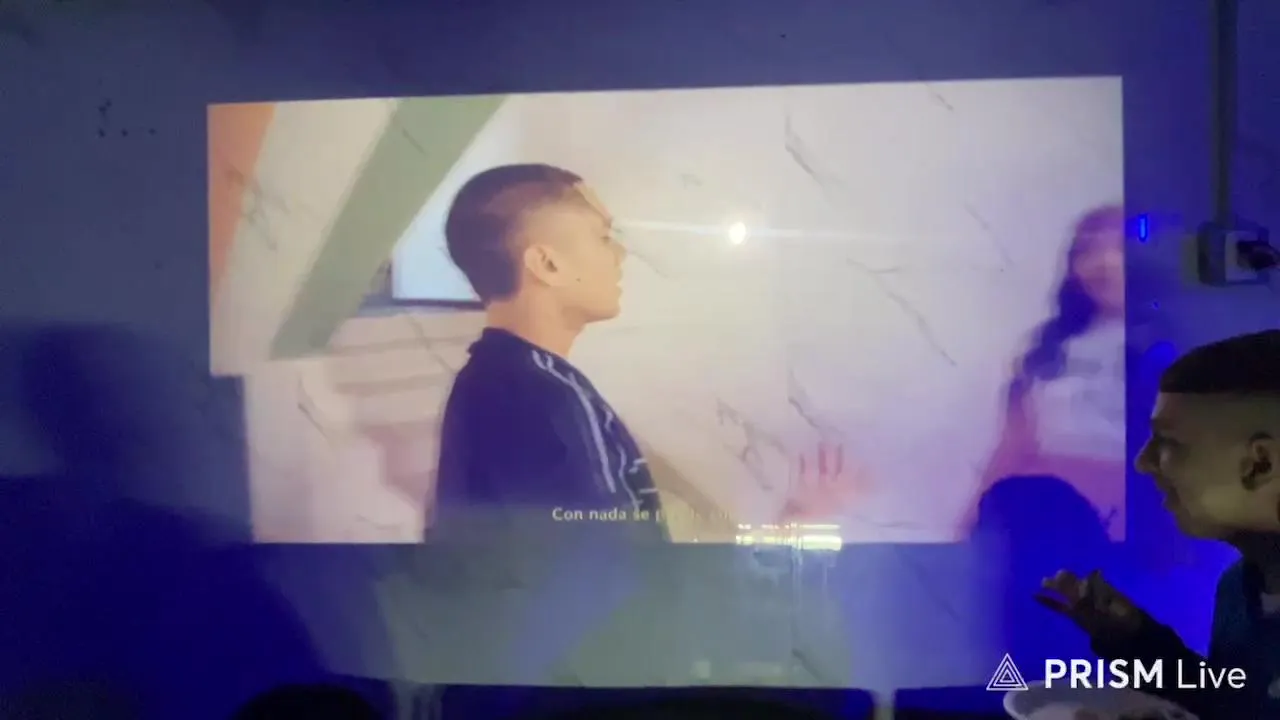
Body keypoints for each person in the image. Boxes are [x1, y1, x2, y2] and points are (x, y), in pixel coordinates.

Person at [1037, 330, 1280, 719]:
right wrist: (1133, 639)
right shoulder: (1240, 589)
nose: (1143, 462)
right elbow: (1231, 702)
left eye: (1167, 442)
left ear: (1260, 464)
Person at [429, 163, 663, 541]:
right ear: (548, 264)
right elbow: (612, 563)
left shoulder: (483, 378)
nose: (621, 254)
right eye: (604, 237)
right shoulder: (553, 402)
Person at [963, 205, 1127, 539]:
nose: (1104, 262)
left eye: (1121, 248)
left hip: (1140, 524)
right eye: (1088, 250)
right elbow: (1012, 448)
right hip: (1047, 521)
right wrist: (972, 523)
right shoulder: (1049, 346)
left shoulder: (1175, 343)